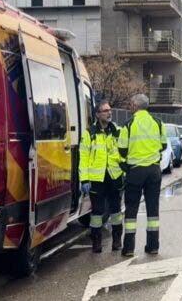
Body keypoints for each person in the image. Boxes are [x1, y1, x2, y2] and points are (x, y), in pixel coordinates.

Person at [118, 93, 167, 256]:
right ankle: (153, 246)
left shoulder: (128, 124)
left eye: (131, 104)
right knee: (153, 209)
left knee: (131, 209)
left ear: (135, 106)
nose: (130, 106)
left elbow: (122, 149)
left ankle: (129, 248)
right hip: (154, 171)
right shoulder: (158, 122)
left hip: (135, 171)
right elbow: (163, 145)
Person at [80, 101, 124, 253]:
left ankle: (117, 240)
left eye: (110, 110)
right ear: (97, 114)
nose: (109, 113)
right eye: (105, 111)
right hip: (96, 179)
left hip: (114, 176)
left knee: (116, 210)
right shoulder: (89, 133)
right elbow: (83, 157)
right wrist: (84, 179)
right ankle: (96, 242)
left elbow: (124, 153)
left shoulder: (117, 131)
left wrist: (124, 170)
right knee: (97, 212)